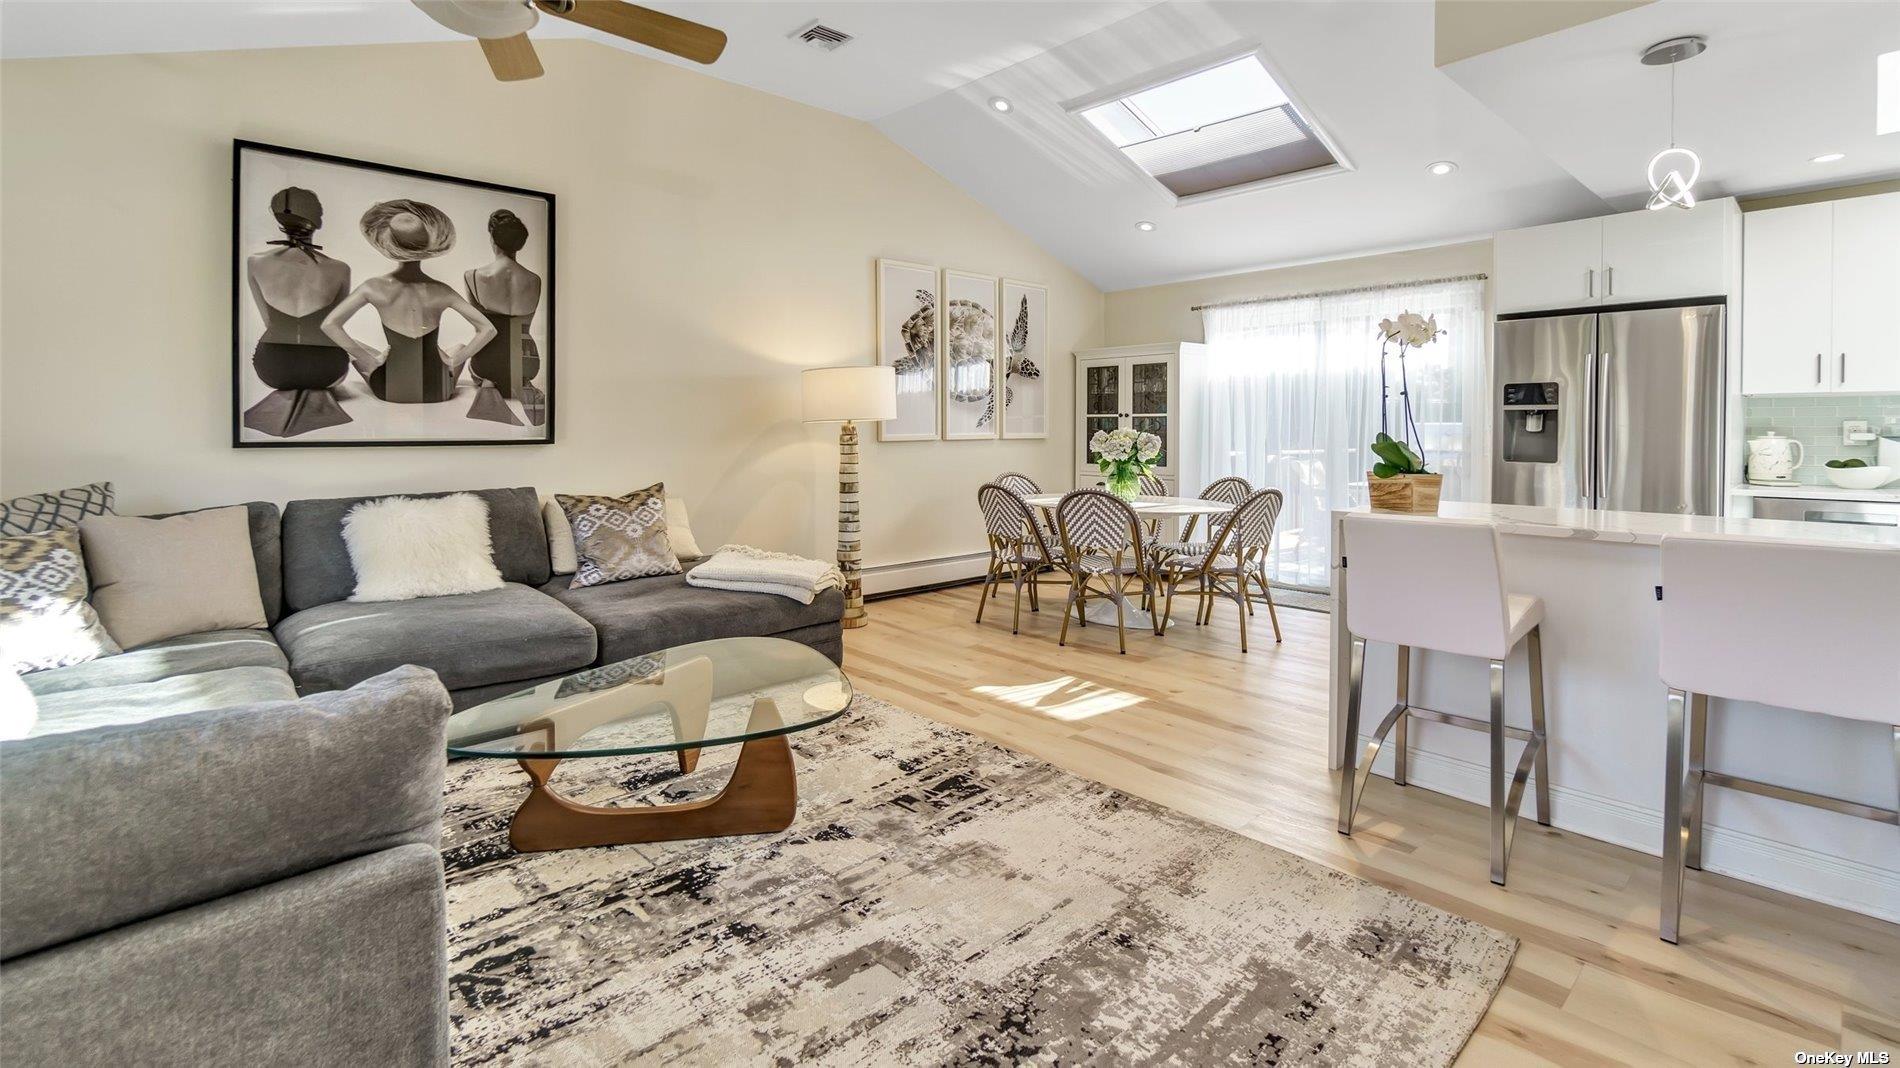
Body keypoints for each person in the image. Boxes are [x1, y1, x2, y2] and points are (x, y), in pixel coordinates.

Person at [321, 199, 496, 404]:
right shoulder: (442, 290)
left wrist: (372, 362)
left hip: (390, 390)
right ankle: (433, 360)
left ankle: (386, 360)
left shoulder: (373, 287)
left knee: (357, 347)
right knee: (457, 347)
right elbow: (488, 329)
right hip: (437, 389)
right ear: (427, 246)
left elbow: (329, 325)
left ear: (389, 245)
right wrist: (452, 361)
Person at [242, 187, 354, 436]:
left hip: (273, 368)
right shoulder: (340, 269)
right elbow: (333, 326)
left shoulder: (255, 262)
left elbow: (269, 321)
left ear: (278, 219)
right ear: (318, 220)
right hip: (328, 369)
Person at [462, 209, 545, 425]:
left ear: (492, 237)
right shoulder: (535, 280)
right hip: (528, 362)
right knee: (516, 360)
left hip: (487, 362)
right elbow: (525, 324)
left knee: (479, 366)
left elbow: (481, 329)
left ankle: (489, 385)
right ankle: (522, 384)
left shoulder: (473, 276)